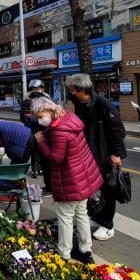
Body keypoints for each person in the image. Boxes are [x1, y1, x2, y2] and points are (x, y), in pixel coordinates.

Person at [32, 97, 102, 263]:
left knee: (65, 216)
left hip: (71, 177)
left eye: (40, 116)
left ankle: (64, 253)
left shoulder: (58, 131)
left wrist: (41, 143)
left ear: (49, 110)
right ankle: (85, 250)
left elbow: (56, 157)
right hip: (83, 175)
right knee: (81, 213)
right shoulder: (69, 118)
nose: (39, 120)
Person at [66, 73, 127, 242]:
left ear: (81, 90)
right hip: (88, 154)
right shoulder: (81, 103)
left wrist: (116, 154)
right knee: (93, 188)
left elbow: (118, 130)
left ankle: (108, 225)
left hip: (105, 154)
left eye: (72, 89)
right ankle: (97, 218)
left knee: (107, 189)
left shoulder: (102, 104)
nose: (70, 92)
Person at [20, 79, 52, 182]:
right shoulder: (27, 101)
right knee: (33, 150)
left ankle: (42, 169)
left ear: (42, 89)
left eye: (38, 88)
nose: (36, 90)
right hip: (32, 129)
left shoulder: (47, 100)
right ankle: (33, 169)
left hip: (45, 129)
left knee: (44, 150)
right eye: (34, 89)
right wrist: (34, 122)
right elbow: (24, 116)